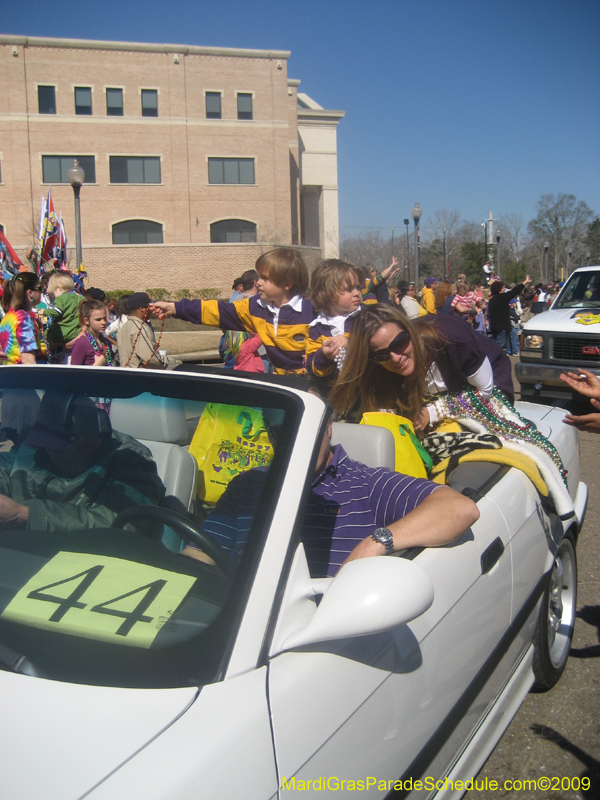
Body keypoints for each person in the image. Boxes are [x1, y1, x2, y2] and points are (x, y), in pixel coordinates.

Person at [183, 401, 479, 577]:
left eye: (304, 429)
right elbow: (200, 556)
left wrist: (374, 543)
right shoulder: (249, 484)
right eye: (279, 431)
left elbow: (458, 507)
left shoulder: (367, 484)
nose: (292, 441)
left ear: (328, 427)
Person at [330, 304, 513, 430]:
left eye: (399, 343)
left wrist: (433, 412)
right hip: (435, 398)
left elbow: (484, 391)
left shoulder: (454, 340)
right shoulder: (379, 366)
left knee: (453, 433)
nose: (395, 357)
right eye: (381, 355)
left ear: (409, 331)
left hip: (488, 386)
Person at [0, 393, 165, 532]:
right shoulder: (37, 448)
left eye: (60, 446)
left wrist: (25, 515)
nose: (50, 451)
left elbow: (122, 523)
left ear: (95, 440)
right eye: (44, 441)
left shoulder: (130, 460)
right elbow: (6, 466)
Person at [150, 248, 314, 375]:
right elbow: (217, 311)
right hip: (285, 388)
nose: (257, 283)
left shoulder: (312, 312)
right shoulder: (255, 307)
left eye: (265, 278)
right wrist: (175, 308)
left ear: (287, 284)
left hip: (314, 388)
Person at [305, 259, 365, 381]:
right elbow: (311, 368)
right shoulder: (317, 328)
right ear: (328, 293)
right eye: (349, 289)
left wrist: (350, 345)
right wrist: (324, 355)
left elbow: (377, 349)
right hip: (333, 392)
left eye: (358, 288)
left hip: (364, 390)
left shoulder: (366, 317)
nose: (357, 293)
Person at [117, 292, 168, 369]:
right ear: (142, 308)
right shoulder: (139, 328)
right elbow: (149, 358)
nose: (152, 309)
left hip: (126, 373)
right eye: (149, 306)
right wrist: (164, 360)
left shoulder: (125, 326)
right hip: (139, 375)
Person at [0, 273, 42, 364]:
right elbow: (28, 360)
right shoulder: (22, 318)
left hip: (10, 374)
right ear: (30, 293)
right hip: (24, 375)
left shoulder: (8, 317)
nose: (42, 292)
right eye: (39, 289)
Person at [40, 272, 81, 361]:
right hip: (75, 331)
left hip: (62, 333)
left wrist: (45, 311)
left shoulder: (60, 299)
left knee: (48, 333)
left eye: (53, 292)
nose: (53, 296)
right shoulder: (78, 297)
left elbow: (57, 312)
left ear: (59, 288)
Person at [488, 277, 532, 351]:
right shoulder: (503, 297)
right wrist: (524, 283)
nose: (504, 289)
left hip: (494, 325)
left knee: (494, 344)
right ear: (500, 289)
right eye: (503, 287)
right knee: (499, 346)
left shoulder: (492, 300)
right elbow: (514, 291)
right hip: (502, 326)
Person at [70, 299, 114, 367]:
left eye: (104, 318)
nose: (103, 322)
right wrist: (96, 366)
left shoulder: (106, 343)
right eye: (98, 320)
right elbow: (73, 374)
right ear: (86, 320)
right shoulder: (81, 343)